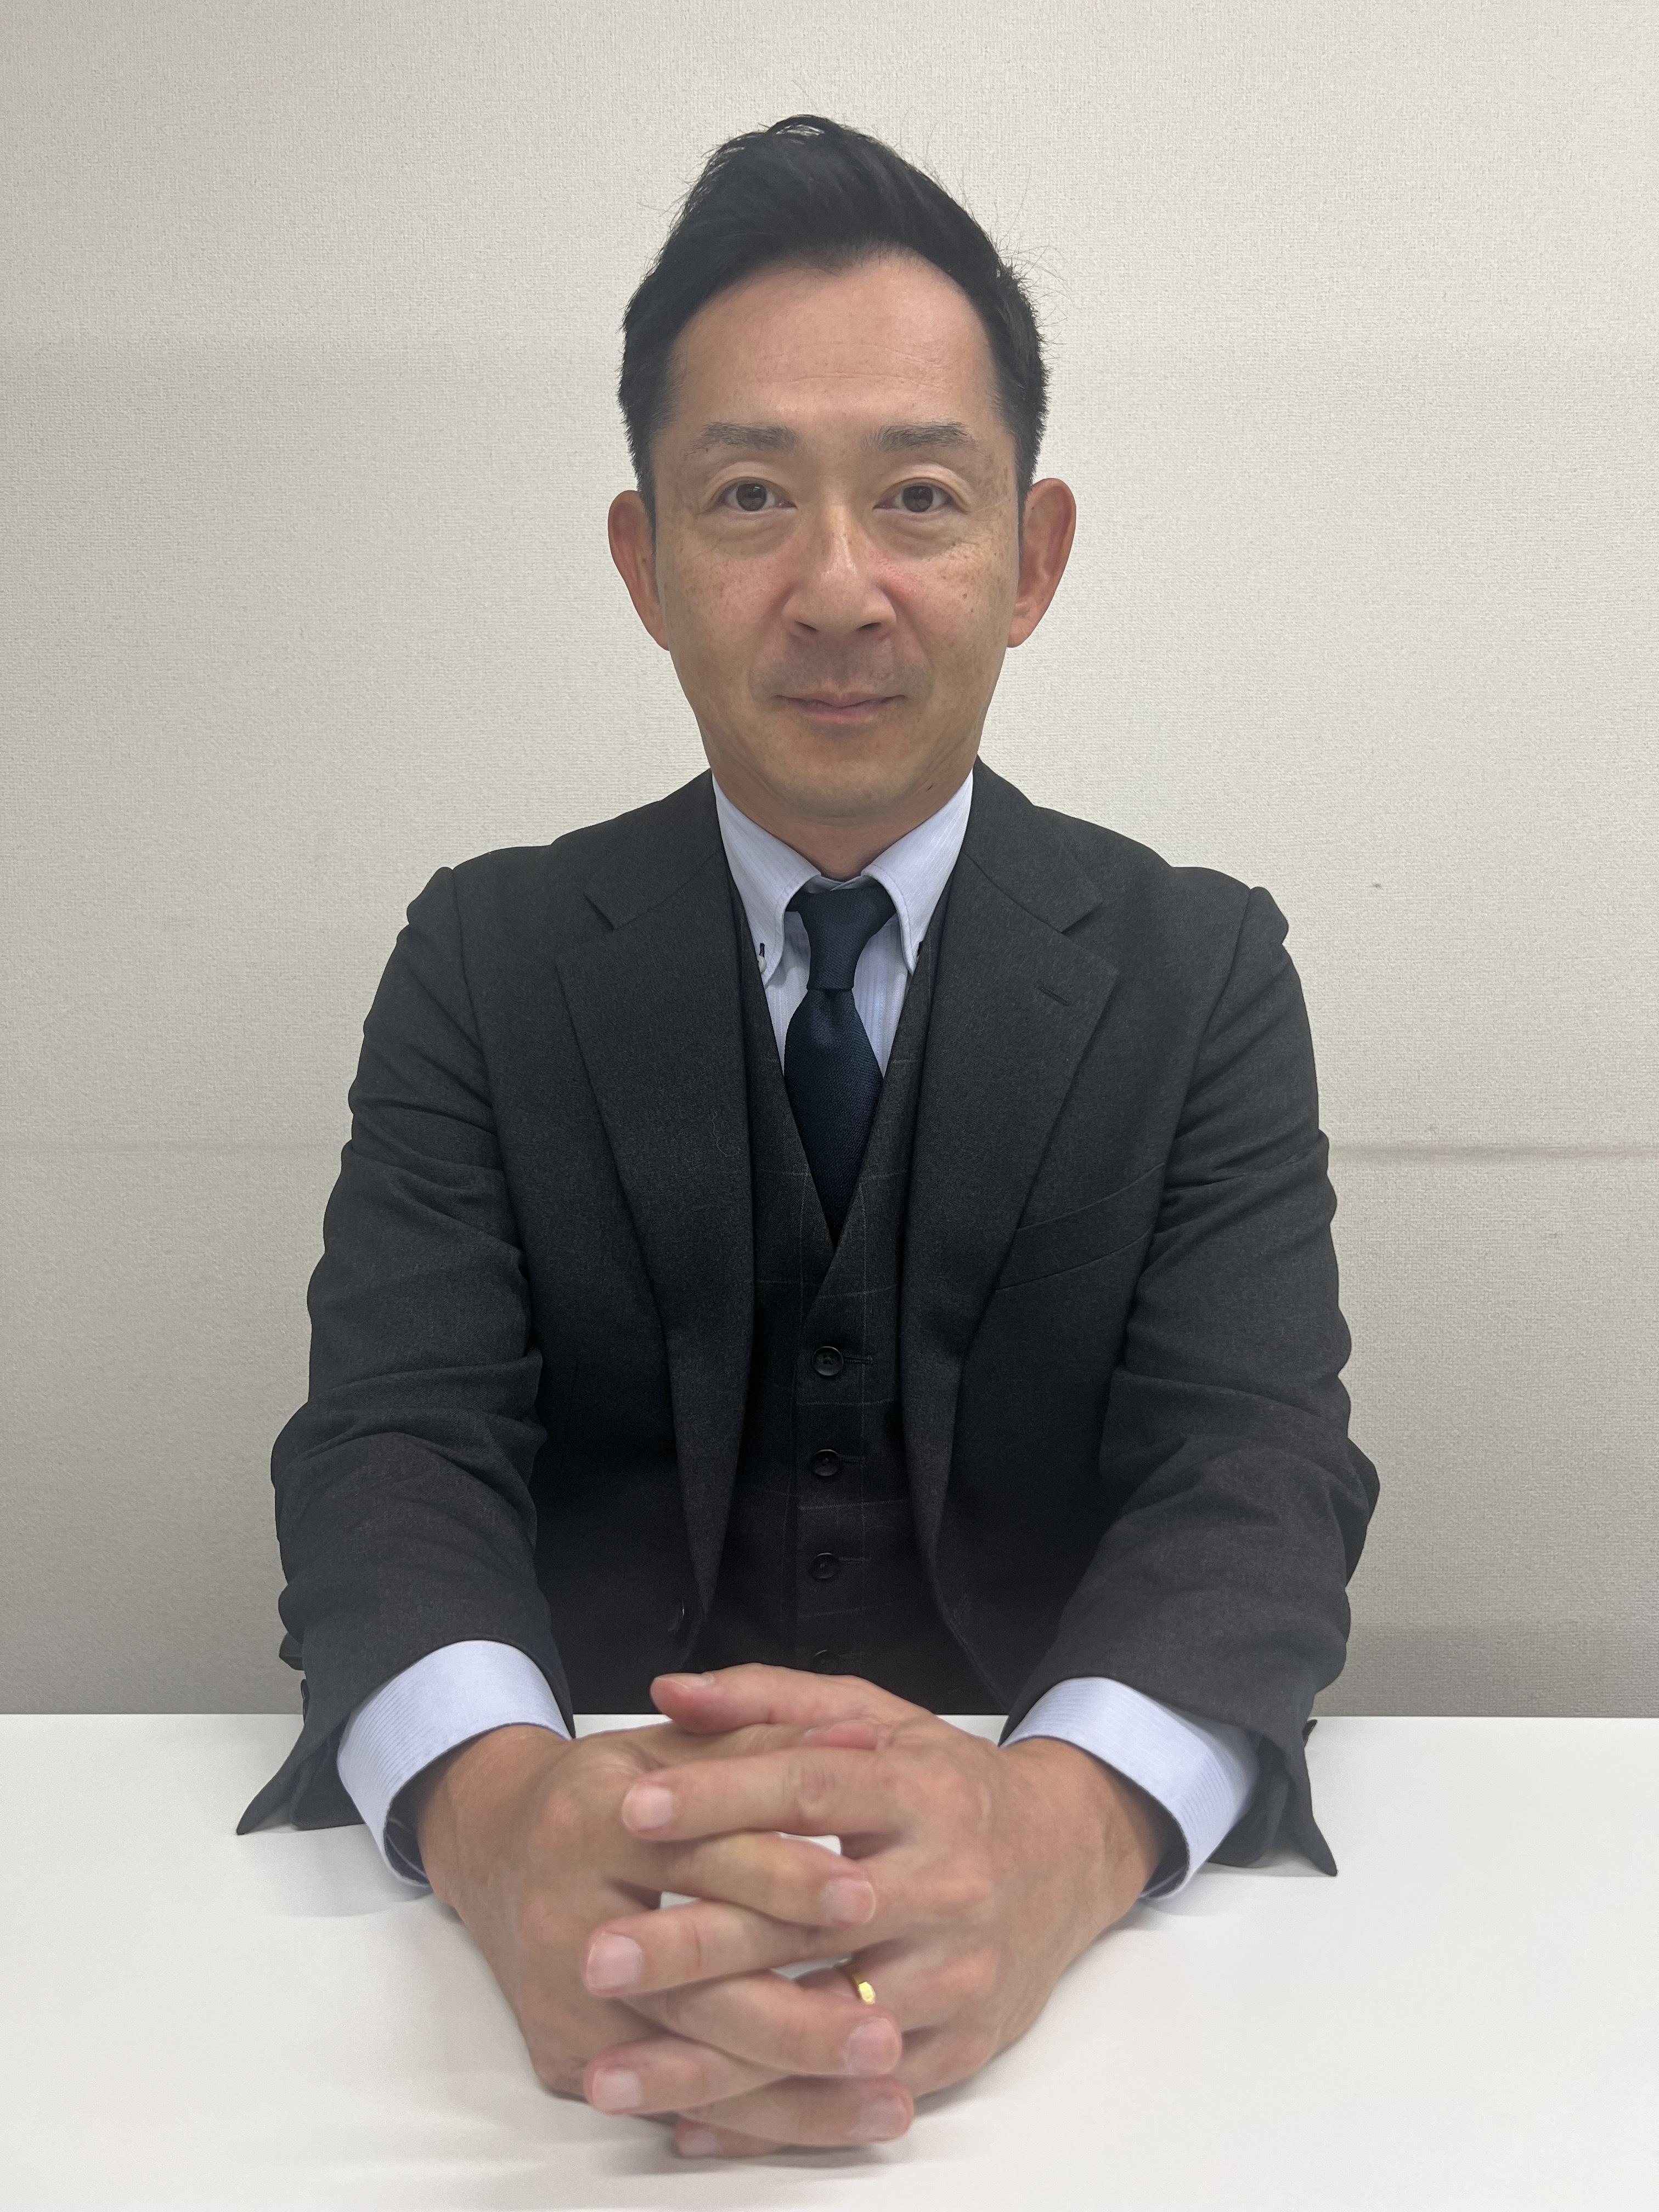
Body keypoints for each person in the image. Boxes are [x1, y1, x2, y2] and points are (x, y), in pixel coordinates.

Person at [239, 113, 1379, 2161]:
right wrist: (505, 1823)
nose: (838, 590)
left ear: (1031, 558)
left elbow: (1257, 1471)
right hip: (580, 1902)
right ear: (644, 561)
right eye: (751, 496)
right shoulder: (486, 957)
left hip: (1087, 2009)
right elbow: (391, 1442)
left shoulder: (1202, 967)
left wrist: (1056, 1838)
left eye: (919, 497)